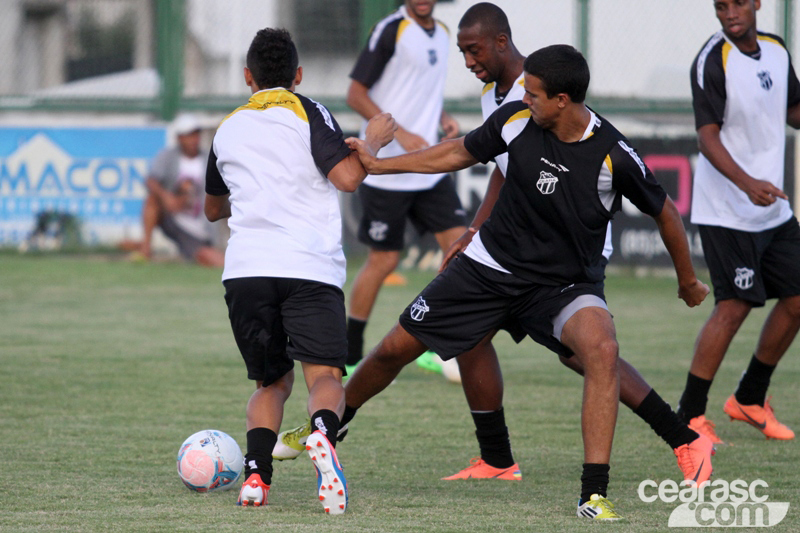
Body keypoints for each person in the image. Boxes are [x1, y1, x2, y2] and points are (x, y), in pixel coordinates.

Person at [344, 44, 713, 520]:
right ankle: (331, 423)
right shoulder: (516, 118)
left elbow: (665, 212)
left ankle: (595, 493)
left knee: (600, 348)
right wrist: (379, 164)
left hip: (562, 284)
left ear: (563, 99)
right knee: (395, 348)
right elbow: (456, 153)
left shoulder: (613, 155)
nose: (525, 98)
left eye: (535, 93)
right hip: (490, 267)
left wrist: (687, 280)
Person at [435, 1, 715, 486]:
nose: (468, 61)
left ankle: (683, 440)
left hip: (567, 253)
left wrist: (687, 278)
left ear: (502, 42)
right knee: (473, 333)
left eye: (473, 50)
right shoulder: (498, 98)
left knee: (588, 354)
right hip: (519, 249)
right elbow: (508, 169)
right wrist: (477, 229)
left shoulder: (549, 93)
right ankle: (498, 459)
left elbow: (663, 209)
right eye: (461, 51)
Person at [203, 27, 396, 513]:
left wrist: (258, 192)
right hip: (309, 265)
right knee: (325, 376)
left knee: (270, 385)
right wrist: (372, 139)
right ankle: (324, 438)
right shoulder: (308, 109)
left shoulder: (227, 127)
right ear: (298, 75)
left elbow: (211, 209)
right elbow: (349, 178)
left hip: (247, 270)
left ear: (247, 76)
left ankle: (254, 478)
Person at [676, 0, 800, 443]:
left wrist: (759, 187)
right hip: (727, 208)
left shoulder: (777, 49)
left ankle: (749, 398)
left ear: (757, 4)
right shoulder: (711, 59)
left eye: (738, 3)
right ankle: (689, 416)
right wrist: (747, 183)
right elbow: (707, 137)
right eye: (720, 5)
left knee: (797, 298)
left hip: (772, 207)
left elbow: (791, 110)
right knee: (735, 306)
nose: (730, 12)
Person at [344, 0, 467, 378]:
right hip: (390, 171)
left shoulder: (445, 34)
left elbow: (422, 92)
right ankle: (348, 354)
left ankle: (437, 345)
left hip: (429, 169)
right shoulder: (391, 30)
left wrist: (440, 117)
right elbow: (355, 94)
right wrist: (402, 132)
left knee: (461, 252)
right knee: (384, 260)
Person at [142, 113, 225, 267]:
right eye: (188, 135)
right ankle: (145, 250)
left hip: (197, 226)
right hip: (172, 216)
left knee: (212, 259)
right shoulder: (168, 156)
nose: (194, 140)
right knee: (152, 201)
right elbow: (151, 181)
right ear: (179, 138)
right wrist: (166, 197)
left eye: (196, 134)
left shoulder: (208, 159)